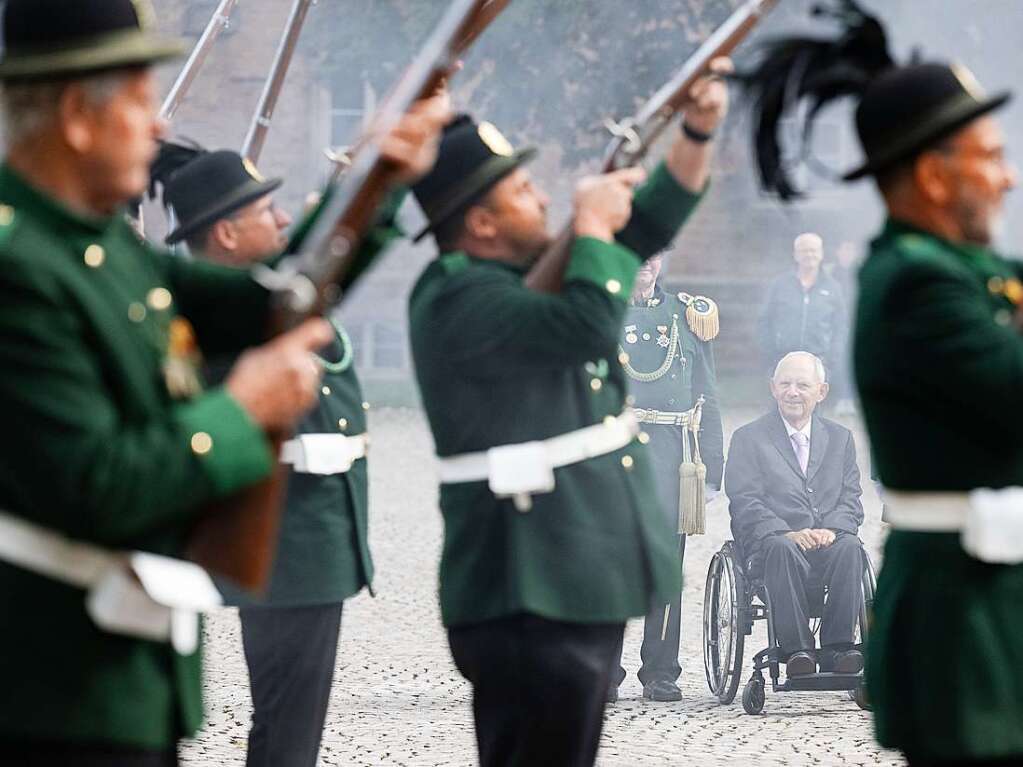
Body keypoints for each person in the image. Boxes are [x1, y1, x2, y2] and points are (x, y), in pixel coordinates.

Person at [0, 1, 445, 763]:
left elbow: (276, 300)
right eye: (141, 99)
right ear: (77, 115)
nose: (160, 126)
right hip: (50, 691)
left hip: (120, 679)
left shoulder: (95, 242)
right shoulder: (20, 268)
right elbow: (98, 483)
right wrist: (243, 413)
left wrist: (374, 182)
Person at [406, 57, 729, 767]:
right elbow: (589, 322)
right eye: (523, 192)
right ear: (482, 221)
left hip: (574, 574)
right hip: (526, 585)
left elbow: (643, 227)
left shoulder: (514, 276)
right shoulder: (456, 294)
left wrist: (696, 132)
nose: (543, 201)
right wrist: (588, 229)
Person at [737, 2, 1020, 763]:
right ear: (933, 174)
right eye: (989, 157)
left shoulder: (965, 271)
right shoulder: (914, 284)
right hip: (966, 620)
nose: (1009, 177)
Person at [158, 144, 424, 767]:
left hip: (307, 540)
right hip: (283, 542)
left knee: (288, 727)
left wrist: (355, 190)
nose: (281, 221)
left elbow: (316, 266)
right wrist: (358, 190)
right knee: (287, 733)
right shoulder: (227, 312)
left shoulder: (253, 302)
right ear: (224, 232)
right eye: (266, 211)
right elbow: (316, 267)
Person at [611, 252, 724, 702]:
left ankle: (660, 670)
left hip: (672, 451)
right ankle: (605, 670)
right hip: (614, 448)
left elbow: (707, 391)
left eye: (653, 256)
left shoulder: (687, 315)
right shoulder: (602, 310)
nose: (644, 264)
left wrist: (713, 467)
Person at [724, 352, 865, 676]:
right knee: (781, 548)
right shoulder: (749, 438)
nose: (793, 392)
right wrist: (785, 531)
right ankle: (798, 651)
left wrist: (832, 529)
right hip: (774, 548)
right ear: (773, 388)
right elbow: (745, 500)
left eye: (803, 385)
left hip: (829, 545)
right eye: (785, 384)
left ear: (822, 391)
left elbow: (851, 497)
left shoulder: (840, 439)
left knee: (850, 548)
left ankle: (837, 649)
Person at [758, 232, 848, 389]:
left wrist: (832, 358)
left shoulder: (833, 287)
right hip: (782, 360)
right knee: (780, 409)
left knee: (812, 411)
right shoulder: (780, 285)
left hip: (818, 363)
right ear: (795, 255)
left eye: (813, 250)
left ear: (821, 254)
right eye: (804, 250)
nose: (809, 254)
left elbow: (841, 326)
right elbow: (764, 321)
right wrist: (771, 353)